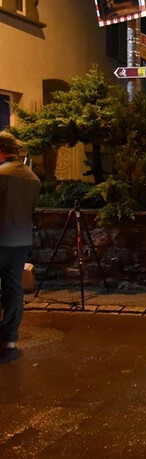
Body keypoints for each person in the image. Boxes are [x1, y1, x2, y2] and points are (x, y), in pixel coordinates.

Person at [0, 132, 41, 364]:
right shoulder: (33, 178)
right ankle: (9, 337)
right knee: (13, 288)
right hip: (21, 241)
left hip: (1, 239)